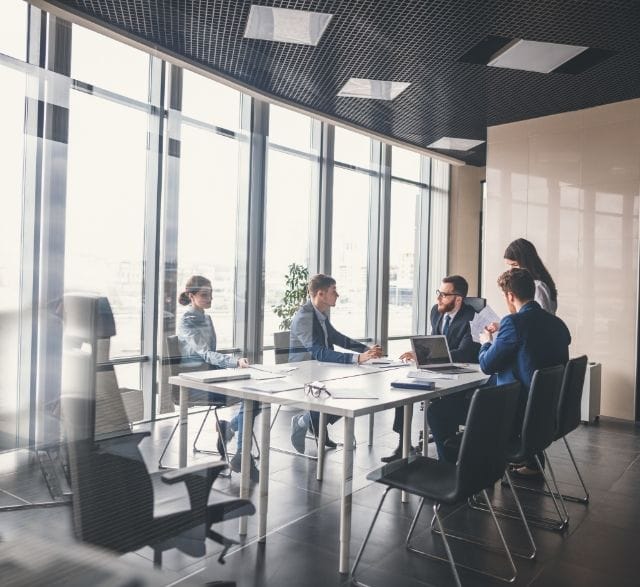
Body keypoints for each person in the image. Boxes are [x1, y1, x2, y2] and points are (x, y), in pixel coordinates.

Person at [430, 268, 571, 474]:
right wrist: (504, 331)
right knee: (467, 397)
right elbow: (535, 351)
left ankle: (453, 474)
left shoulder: (513, 323)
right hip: (545, 412)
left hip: (512, 412)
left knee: (438, 411)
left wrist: (487, 342)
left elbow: (487, 365)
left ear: (510, 296)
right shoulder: (557, 324)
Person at [380, 275, 480, 463]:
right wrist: (420, 352)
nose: (438, 298)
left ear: (458, 298)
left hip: (461, 373)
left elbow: (465, 352)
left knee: (441, 409)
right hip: (435, 368)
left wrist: (426, 356)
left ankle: (449, 457)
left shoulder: (472, 318)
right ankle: (404, 445)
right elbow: (434, 341)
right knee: (404, 389)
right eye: (438, 293)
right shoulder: (436, 311)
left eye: (444, 294)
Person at [177, 275, 260, 482]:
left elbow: (211, 355)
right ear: (191, 295)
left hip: (211, 376)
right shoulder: (187, 320)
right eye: (205, 295)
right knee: (250, 398)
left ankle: (230, 429)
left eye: (211, 294)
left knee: (256, 397)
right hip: (195, 383)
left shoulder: (207, 318)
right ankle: (241, 452)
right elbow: (205, 353)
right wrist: (234, 362)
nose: (210, 298)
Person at [289, 274, 383, 453]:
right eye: (334, 291)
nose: (338, 295)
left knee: (349, 393)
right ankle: (304, 421)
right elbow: (318, 352)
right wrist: (356, 358)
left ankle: (313, 422)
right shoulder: (304, 317)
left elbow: (337, 337)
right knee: (342, 395)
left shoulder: (320, 314)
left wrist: (366, 350)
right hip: (303, 372)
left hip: (320, 369)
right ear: (321, 294)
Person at [504, 238, 558, 314]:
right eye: (509, 265)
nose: (511, 270)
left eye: (515, 265)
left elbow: (541, 321)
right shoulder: (530, 284)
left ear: (526, 263)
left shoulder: (538, 287)